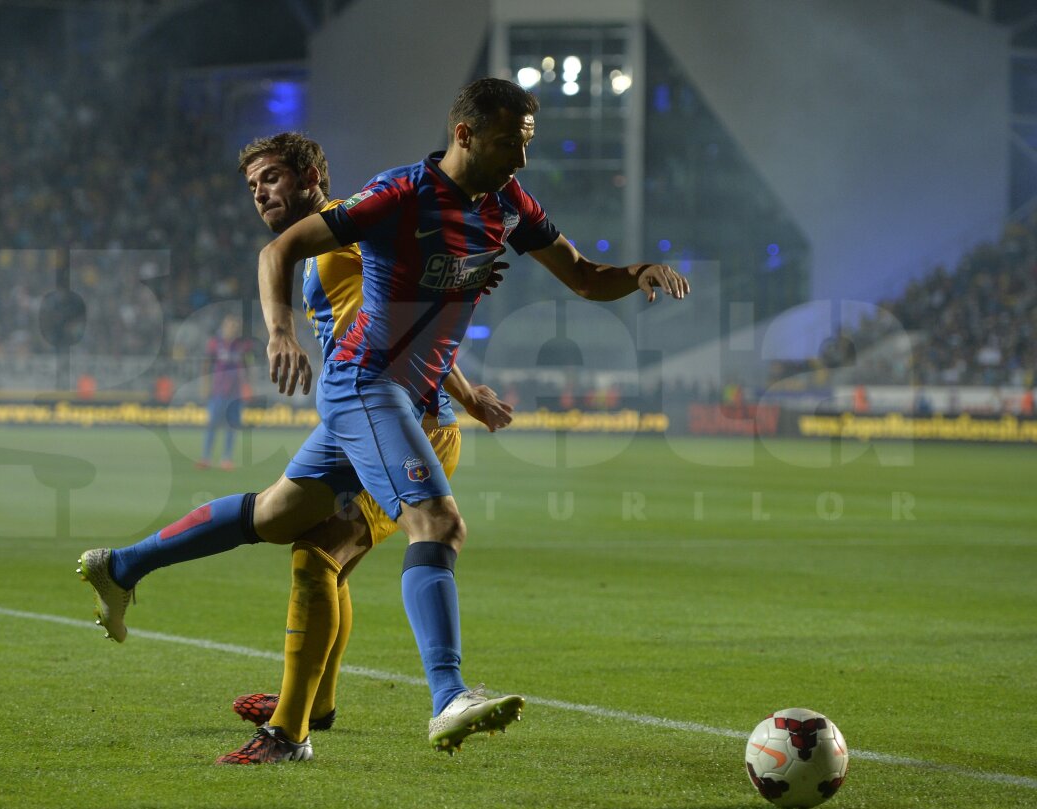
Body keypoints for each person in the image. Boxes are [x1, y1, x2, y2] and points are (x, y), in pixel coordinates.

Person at [82, 77, 688, 761]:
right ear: (464, 135)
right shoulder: (397, 195)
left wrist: (635, 272)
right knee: (435, 526)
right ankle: (445, 696)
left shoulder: (508, 204)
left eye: (526, 145)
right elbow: (287, 259)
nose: (520, 162)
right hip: (370, 390)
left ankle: (124, 566)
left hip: (399, 398)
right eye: (508, 144)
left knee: (278, 518)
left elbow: (580, 275)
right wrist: (280, 334)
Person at [78, 132, 515, 763]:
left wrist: (466, 397)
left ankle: (295, 725)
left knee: (319, 556)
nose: (260, 193)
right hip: (358, 417)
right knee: (278, 520)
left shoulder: (359, 228)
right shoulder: (314, 252)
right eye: (253, 185)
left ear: (313, 174)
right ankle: (125, 569)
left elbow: (408, 326)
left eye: (272, 178)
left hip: (412, 422)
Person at [198, 314, 256, 470]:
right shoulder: (214, 343)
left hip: (235, 393)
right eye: (230, 325)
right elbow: (206, 365)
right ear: (224, 326)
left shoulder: (242, 345)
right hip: (218, 391)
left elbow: (248, 366)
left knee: (232, 425)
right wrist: (205, 385)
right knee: (212, 424)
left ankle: (226, 458)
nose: (233, 328)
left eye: (235, 326)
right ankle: (206, 457)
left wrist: (249, 386)